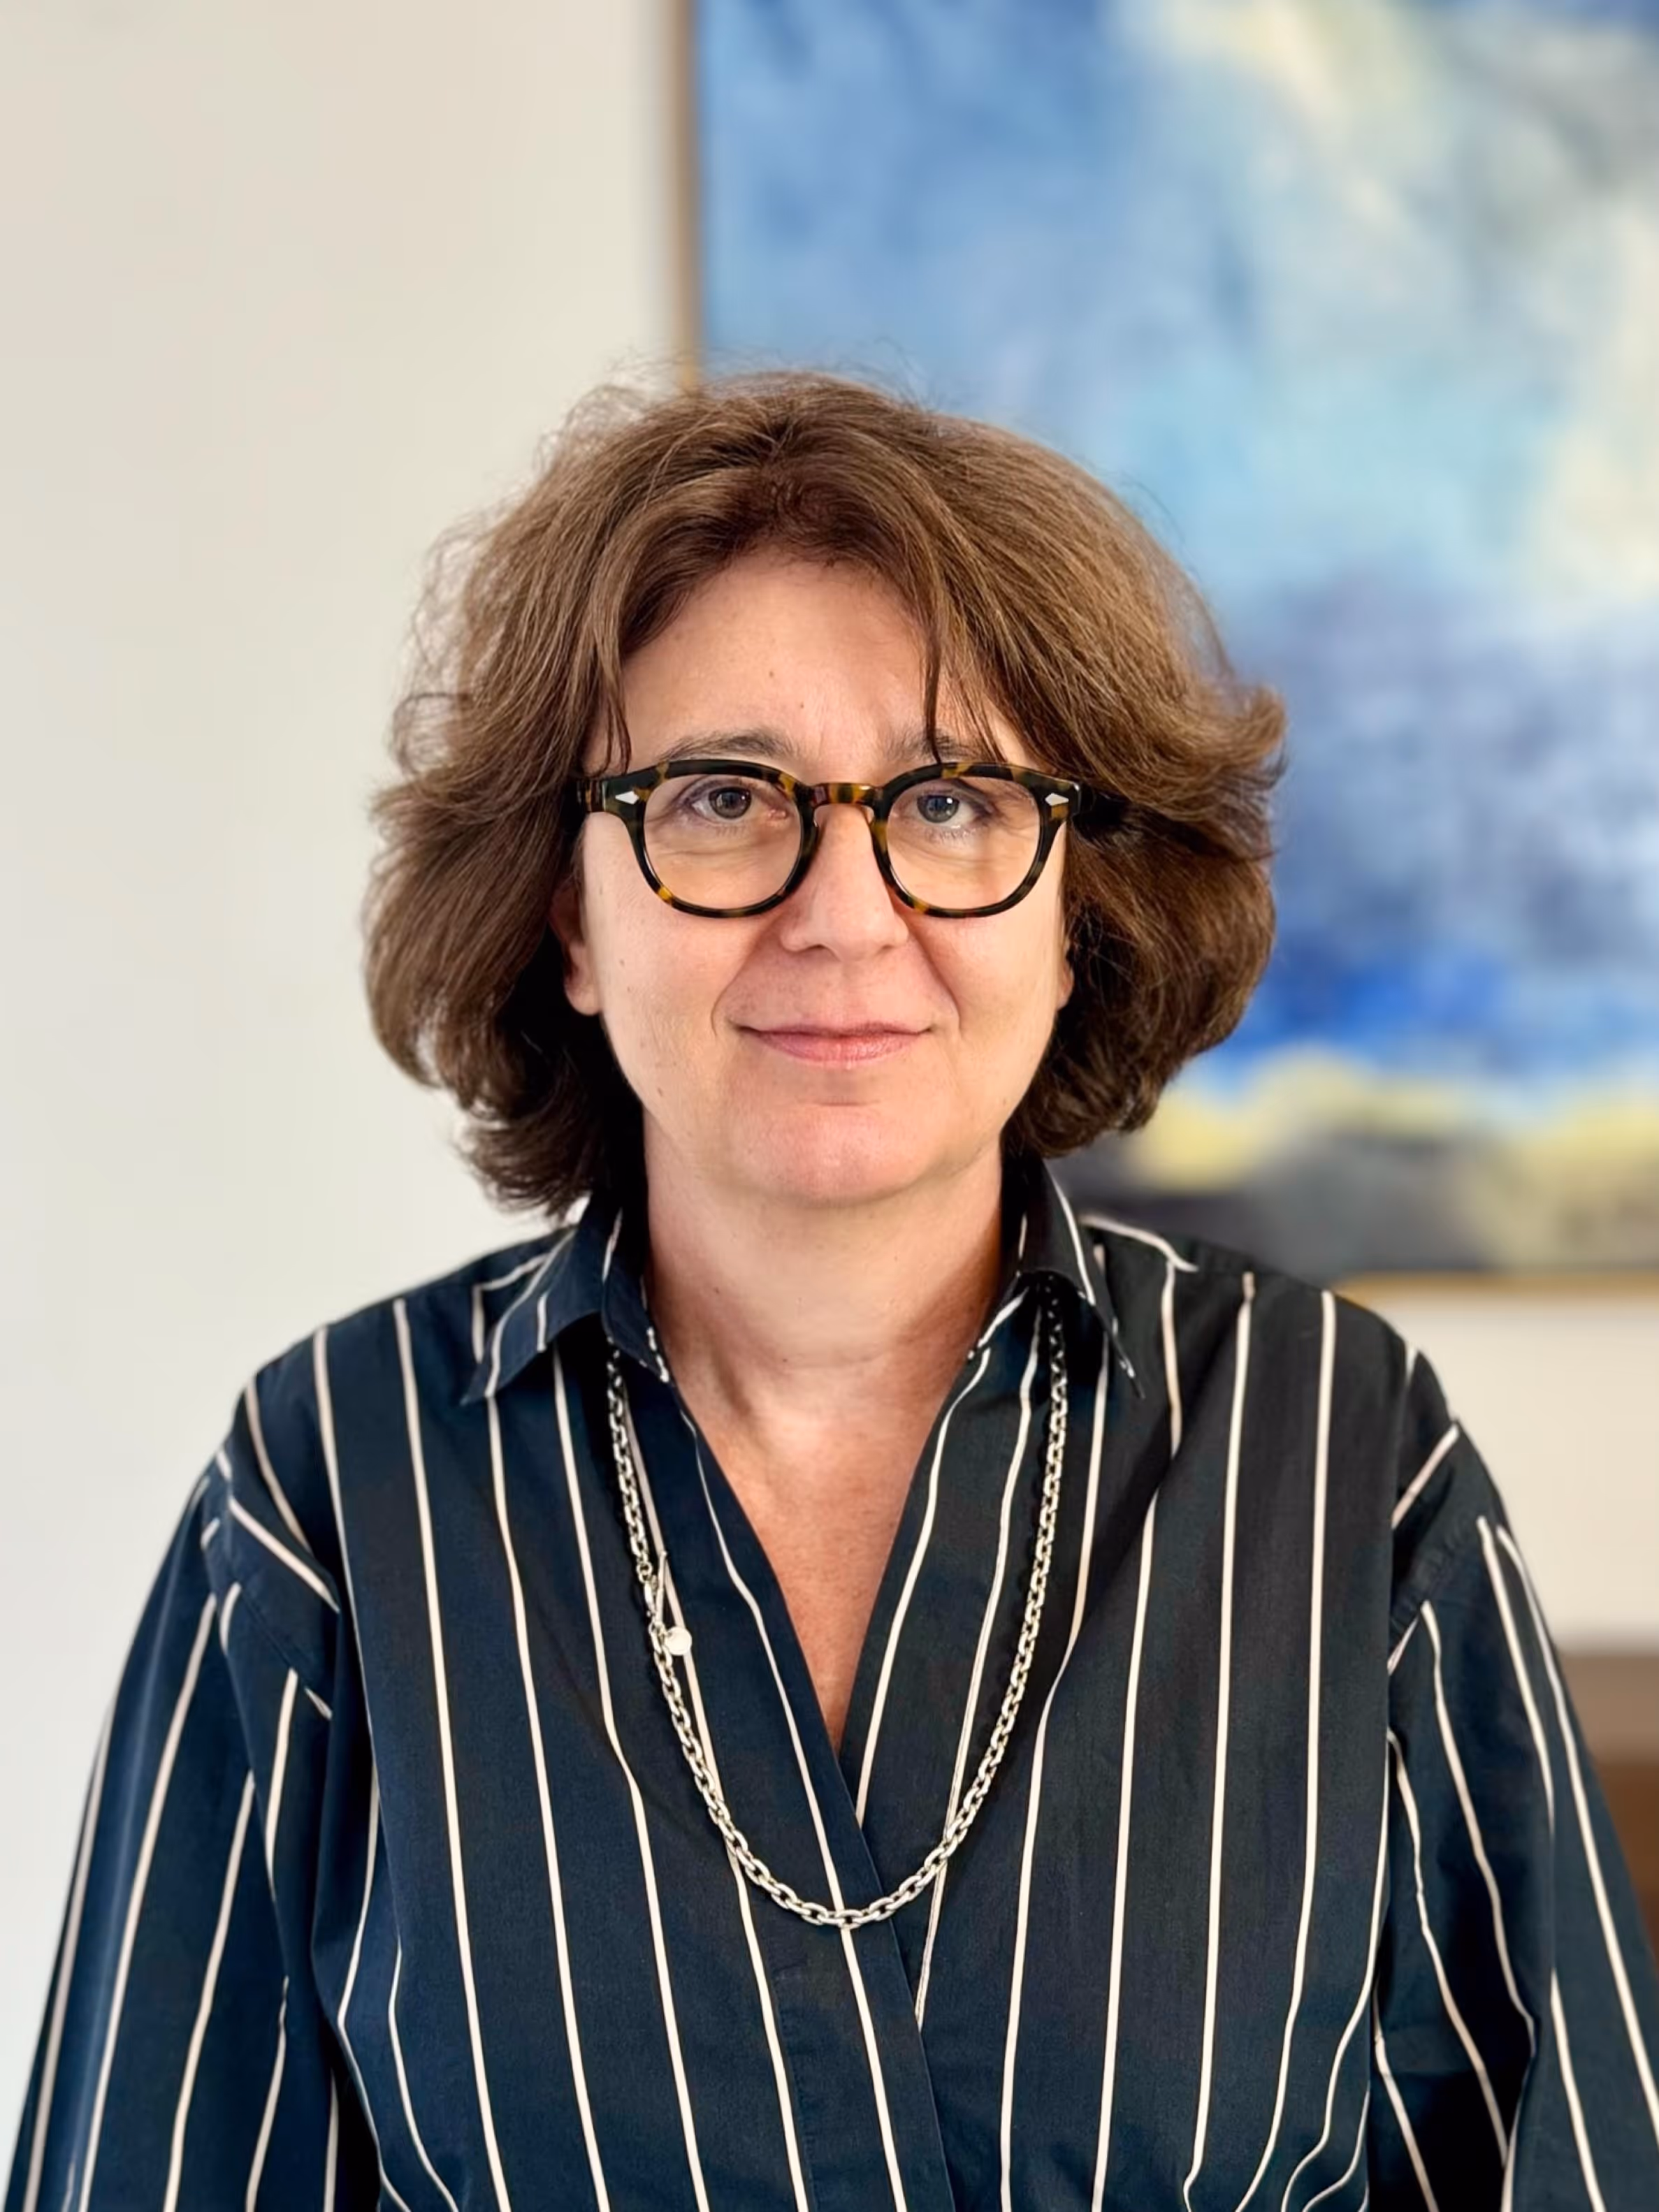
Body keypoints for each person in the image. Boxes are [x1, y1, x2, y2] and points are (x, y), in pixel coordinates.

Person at [7, 369, 1658, 2212]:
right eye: (721, 797)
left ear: (1072, 901)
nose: (842, 913)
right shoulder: (327, 1489)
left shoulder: (1341, 1457)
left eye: (946, 800)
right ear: (567, 911)